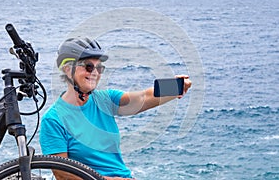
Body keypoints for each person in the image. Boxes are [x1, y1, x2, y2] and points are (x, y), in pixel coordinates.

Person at [39, 37, 192, 180]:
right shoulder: (54, 119)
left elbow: (143, 98)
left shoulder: (105, 99)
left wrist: (175, 87)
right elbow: (62, 173)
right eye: (88, 67)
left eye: (99, 68)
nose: (95, 73)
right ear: (67, 69)